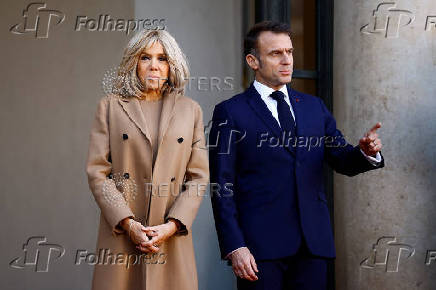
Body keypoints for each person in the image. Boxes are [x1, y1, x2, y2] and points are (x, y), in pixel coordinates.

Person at [209, 21, 384, 290]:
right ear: (252, 61)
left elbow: (342, 159)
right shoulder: (230, 113)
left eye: (289, 52)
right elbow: (222, 186)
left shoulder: (314, 108)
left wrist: (365, 152)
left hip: (313, 247)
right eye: (276, 53)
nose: (286, 60)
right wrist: (235, 246)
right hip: (259, 251)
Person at [86, 29, 209, 290]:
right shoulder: (109, 107)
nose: (154, 66)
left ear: (172, 64)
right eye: (145, 57)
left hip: (171, 239)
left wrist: (172, 225)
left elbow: (198, 177)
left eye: (162, 58)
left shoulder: (191, 110)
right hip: (122, 236)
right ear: (134, 62)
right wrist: (128, 223)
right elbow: (98, 173)